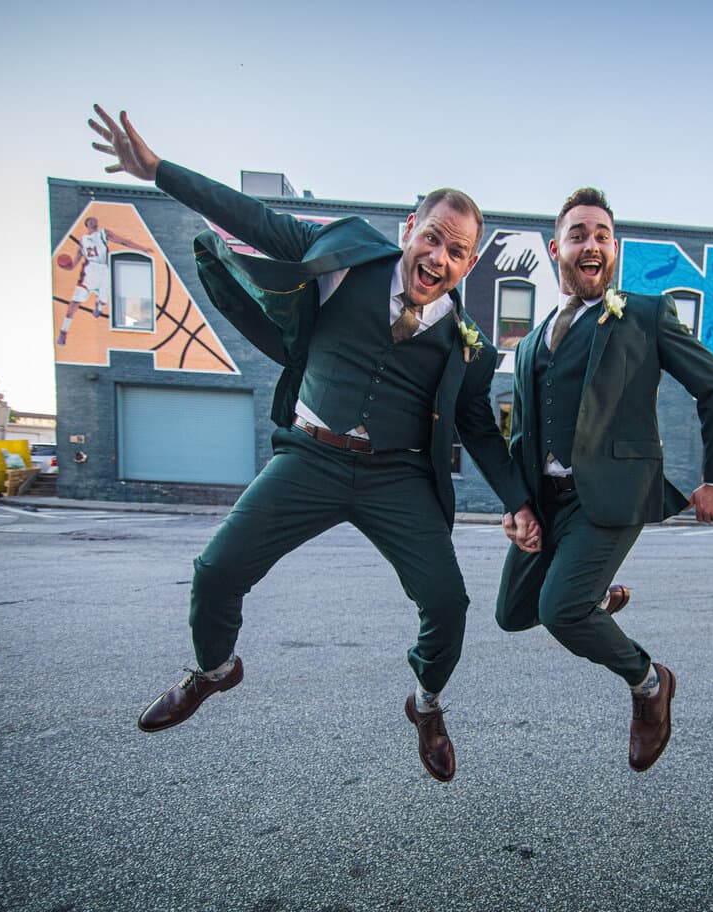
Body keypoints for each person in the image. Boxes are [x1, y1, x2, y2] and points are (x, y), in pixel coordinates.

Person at [87, 105, 541, 782]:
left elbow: (476, 423)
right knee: (215, 572)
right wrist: (157, 172)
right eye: (433, 239)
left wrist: (518, 501)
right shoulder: (343, 257)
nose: (439, 258)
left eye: (456, 252)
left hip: (397, 477)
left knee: (447, 604)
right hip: (311, 455)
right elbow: (253, 219)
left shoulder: (466, 342)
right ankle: (214, 668)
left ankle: (426, 701)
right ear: (410, 228)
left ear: (469, 263)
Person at [494, 188, 713, 772]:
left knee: (559, 611)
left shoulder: (644, 315)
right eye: (579, 235)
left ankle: (650, 684)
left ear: (615, 251)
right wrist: (517, 506)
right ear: (557, 249)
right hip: (548, 500)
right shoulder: (530, 342)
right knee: (511, 612)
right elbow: (521, 436)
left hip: (612, 496)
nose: (592, 244)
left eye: (603, 235)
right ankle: (599, 598)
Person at [56, 216, 152, 345]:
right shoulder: (83, 241)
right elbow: (74, 264)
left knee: (106, 299)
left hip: (105, 270)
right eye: (90, 220)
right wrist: (66, 265)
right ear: (87, 224)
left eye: (95, 219)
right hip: (90, 272)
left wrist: (142, 248)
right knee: (75, 302)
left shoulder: (103, 233)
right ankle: (63, 331)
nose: (94, 221)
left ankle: (99, 307)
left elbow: (123, 241)